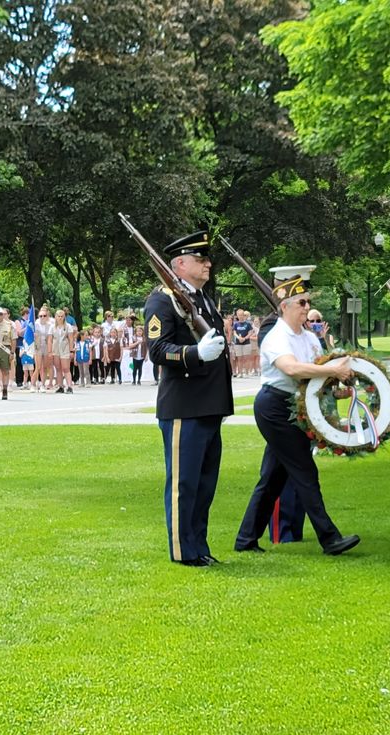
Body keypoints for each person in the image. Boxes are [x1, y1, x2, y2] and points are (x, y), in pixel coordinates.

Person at [234, 265, 360, 557]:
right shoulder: (277, 337)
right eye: (302, 302)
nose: (308, 308)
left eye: (307, 302)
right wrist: (330, 369)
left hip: (296, 406)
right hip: (275, 407)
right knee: (304, 470)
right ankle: (329, 538)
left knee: (273, 478)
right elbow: (291, 368)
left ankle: (246, 539)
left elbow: (315, 375)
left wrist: (337, 386)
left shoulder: (308, 337)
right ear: (285, 306)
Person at [144, 230, 232, 567]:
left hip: (209, 404)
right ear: (180, 263)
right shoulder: (162, 300)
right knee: (184, 484)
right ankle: (183, 552)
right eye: (201, 259)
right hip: (184, 405)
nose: (208, 264)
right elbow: (158, 350)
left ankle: (199, 547)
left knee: (205, 484)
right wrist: (195, 353)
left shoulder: (204, 300)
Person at [51, 309, 75, 394]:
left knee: (66, 368)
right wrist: (50, 352)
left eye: (62, 316)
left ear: (64, 317)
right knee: (58, 368)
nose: (60, 318)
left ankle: (69, 386)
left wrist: (71, 350)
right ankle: (60, 386)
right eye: (58, 316)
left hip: (65, 348)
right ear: (55, 317)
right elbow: (50, 340)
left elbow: (71, 339)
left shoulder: (68, 326)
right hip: (56, 349)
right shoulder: (52, 327)